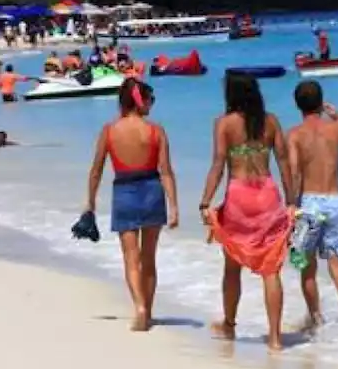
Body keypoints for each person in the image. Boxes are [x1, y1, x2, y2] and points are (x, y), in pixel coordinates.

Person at [199, 73, 296, 351]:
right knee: (271, 269)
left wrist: (205, 202)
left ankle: (229, 325)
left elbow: (218, 165)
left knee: (232, 267)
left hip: (238, 196)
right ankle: (275, 338)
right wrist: (291, 201)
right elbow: (284, 163)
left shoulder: (224, 124)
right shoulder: (271, 121)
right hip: (267, 195)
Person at [85, 79, 178, 331]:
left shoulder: (109, 131)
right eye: (150, 100)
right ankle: (147, 310)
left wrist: (90, 204)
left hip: (124, 192)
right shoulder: (156, 131)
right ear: (140, 101)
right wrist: (174, 206)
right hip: (152, 191)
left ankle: (139, 307)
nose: (152, 105)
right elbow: (166, 171)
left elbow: (96, 171)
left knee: (130, 257)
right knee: (149, 258)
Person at [285, 81, 338, 330]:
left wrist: (291, 204)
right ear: (322, 103)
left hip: (309, 204)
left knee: (307, 266)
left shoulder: (294, 135)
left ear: (297, 105)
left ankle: (315, 320)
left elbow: (294, 173)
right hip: (335, 201)